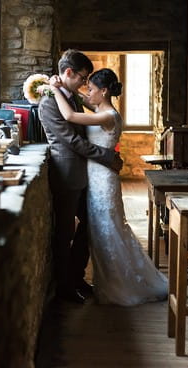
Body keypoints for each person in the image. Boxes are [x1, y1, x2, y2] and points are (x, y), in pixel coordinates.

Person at [47, 67, 168, 306]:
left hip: (102, 180)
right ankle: (104, 279)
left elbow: (70, 116)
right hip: (97, 175)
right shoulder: (102, 109)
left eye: (91, 88)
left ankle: (119, 283)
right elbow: (82, 99)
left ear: (103, 91)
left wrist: (53, 89)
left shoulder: (107, 115)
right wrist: (64, 87)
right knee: (102, 230)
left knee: (107, 230)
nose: (86, 92)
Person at [38, 49, 123, 304]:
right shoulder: (49, 103)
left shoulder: (71, 97)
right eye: (83, 78)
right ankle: (64, 287)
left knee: (89, 227)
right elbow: (73, 141)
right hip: (66, 174)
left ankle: (76, 277)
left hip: (86, 174)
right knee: (65, 233)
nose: (86, 84)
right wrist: (108, 157)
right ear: (68, 73)